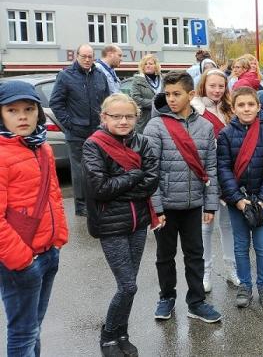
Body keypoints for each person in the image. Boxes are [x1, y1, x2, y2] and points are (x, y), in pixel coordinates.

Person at [82, 94, 159, 356]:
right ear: (104, 117)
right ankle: (108, 336)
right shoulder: (94, 145)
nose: (123, 121)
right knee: (128, 285)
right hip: (111, 225)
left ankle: (122, 333)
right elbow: (100, 188)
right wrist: (135, 176)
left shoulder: (143, 142)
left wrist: (127, 181)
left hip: (138, 223)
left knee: (129, 283)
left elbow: (152, 181)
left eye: (129, 116)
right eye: (116, 116)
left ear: (137, 117)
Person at [143, 71, 221, 323]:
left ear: (191, 95)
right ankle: (166, 297)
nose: (171, 99)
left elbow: (210, 168)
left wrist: (210, 204)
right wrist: (156, 208)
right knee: (165, 255)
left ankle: (196, 301)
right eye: (167, 94)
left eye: (177, 94)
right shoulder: (156, 126)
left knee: (195, 254)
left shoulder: (206, 127)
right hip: (165, 205)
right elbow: (150, 170)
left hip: (193, 204)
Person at [0, 81, 68, 357]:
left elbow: (53, 194)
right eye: (12, 110)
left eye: (29, 109)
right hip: (20, 261)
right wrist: (21, 258)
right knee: (23, 332)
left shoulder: (42, 148)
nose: (23, 116)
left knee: (34, 327)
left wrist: (59, 236)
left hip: (48, 251)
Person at [217, 87, 263, 308]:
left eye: (250, 104)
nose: (246, 109)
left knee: (262, 245)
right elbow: (223, 169)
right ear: (233, 108)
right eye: (241, 105)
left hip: (260, 200)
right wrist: (237, 200)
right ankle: (245, 285)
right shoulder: (225, 134)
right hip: (238, 201)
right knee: (241, 245)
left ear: (258, 107)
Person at [191, 69, 240, 291]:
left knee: (228, 225)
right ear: (204, 86)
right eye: (212, 86)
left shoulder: (231, 109)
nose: (217, 90)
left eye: (221, 86)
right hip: (206, 174)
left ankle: (231, 269)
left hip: (229, 173)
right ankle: (205, 272)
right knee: (205, 226)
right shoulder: (194, 109)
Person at [50, 43, 111, 217]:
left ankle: (98, 201)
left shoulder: (99, 75)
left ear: (94, 57)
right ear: (76, 56)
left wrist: (105, 122)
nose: (86, 59)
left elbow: (107, 101)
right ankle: (81, 205)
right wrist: (68, 124)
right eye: (83, 56)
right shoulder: (65, 76)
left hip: (98, 131)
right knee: (79, 171)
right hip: (76, 132)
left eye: (90, 56)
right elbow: (56, 103)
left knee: (99, 167)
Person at [130, 54, 162, 133]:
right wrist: (156, 104)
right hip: (144, 119)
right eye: (145, 64)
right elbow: (136, 99)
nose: (148, 66)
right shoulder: (137, 80)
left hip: (161, 117)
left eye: (151, 64)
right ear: (142, 67)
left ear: (156, 66)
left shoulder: (163, 80)